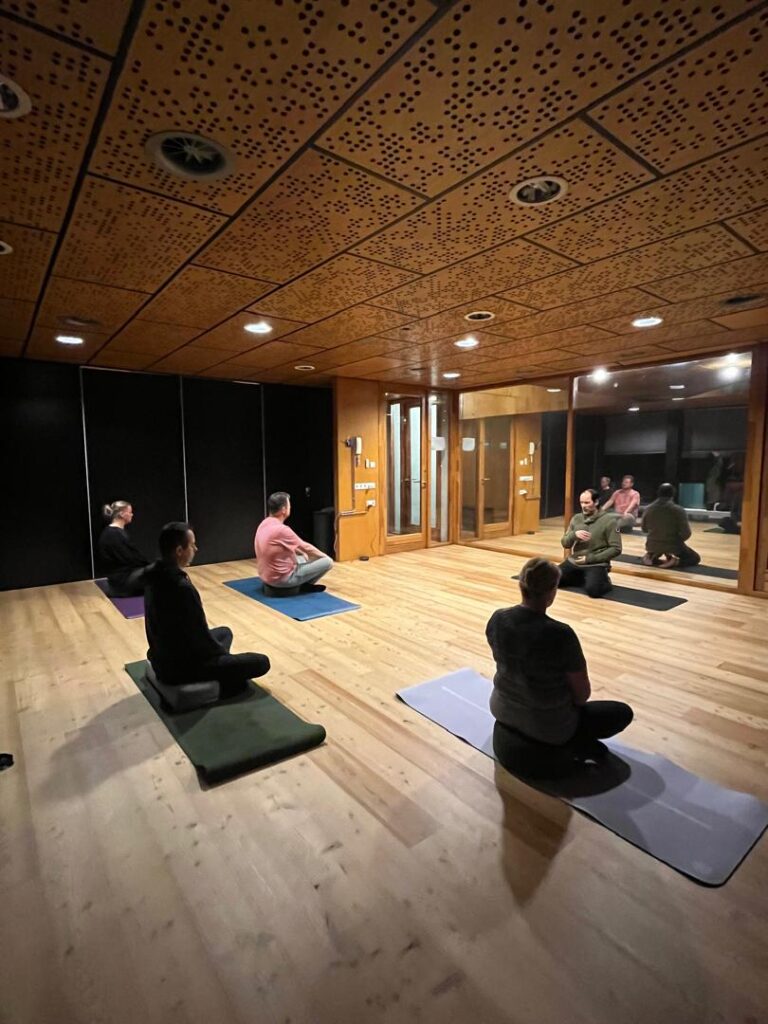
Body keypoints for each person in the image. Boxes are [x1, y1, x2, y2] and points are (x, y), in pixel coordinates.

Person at [487, 558, 633, 779]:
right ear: (551, 593)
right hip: (550, 725)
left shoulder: (498, 619)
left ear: (521, 585)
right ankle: (570, 745)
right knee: (620, 713)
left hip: (501, 707)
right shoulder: (560, 634)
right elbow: (582, 696)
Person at [144, 522, 270, 697]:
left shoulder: (153, 577)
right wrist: (221, 658)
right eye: (192, 545)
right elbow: (200, 636)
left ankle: (223, 670)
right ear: (179, 550)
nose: (196, 549)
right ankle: (223, 681)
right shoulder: (181, 587)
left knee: (225, 632)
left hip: (162, 656)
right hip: (182, 668)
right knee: (261, 662)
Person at [255, 492, 333, 592]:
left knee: (302, 557)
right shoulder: (282, 530)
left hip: (265, 575)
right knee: (328, 562)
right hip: (281, 580)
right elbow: (306, 547)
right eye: (289, 505)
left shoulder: (264, 523)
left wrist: (302, 553)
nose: (290, 508)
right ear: (284, 509)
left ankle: (301, 583)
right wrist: (324, 557)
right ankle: (305, 586)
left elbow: (290, 545)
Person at [558, 489, 622, 597]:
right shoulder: (576, 518)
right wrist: (574, 535)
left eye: (587, 503)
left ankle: (604, 580)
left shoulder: (609, 521)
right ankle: (581, 577)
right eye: (581, 503)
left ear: (596, 502)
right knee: (550, 580)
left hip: (596, 563)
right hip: (576, 560)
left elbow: (616, 548)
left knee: (593, 591)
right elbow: (565, 543)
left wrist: (590, 559)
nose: (583, 506)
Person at [641, 483, 701, 568]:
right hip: (672, 544)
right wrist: (675, 541)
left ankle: (650, 555)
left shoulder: (648, 509)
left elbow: (644, 529)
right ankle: (675, 561)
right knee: (694, 558)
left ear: (658, 493)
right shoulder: (678, 510)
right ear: (673, 494)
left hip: (652, 544)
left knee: (658, 547)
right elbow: (686, 533)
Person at [97, 500, 149, 596]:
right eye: (130, 512)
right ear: (122, 514)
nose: (132, 514)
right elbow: (131, 558)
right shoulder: (114, 534)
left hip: (119, 579)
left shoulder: (112, 532)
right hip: (121, 582)